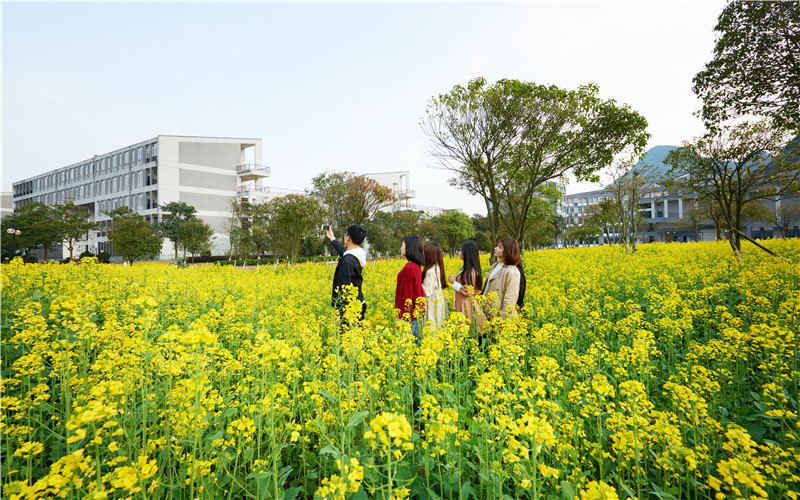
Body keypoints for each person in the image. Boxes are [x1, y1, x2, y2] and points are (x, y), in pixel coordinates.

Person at [326, 225, 367, 325]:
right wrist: (332, 238)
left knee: (348, 338)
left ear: (348, 238)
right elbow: (344, 252)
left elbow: (343, 287)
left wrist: (338, 312)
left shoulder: (347, 262)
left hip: (348, 309)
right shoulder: (357, 254)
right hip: (358, 303)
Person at [395, 235, 426, 342]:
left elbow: (405, 294)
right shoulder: (416, 266)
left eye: (402, 245)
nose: (400, 248)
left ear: (409, 247)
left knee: (408, 349)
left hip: (407, 317)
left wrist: (399, 316)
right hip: (414, 315)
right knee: (414, 346)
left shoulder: (408, 268)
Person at [447, 241, 483, 331]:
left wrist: (454, 282)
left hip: (466, 306)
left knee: (464, 330)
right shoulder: (467, 268)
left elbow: (468, 290)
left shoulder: (471, 271)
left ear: (467, 253)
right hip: (463, 303)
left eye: (460, 251)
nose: (459, 253)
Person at [482, 238, 521, 320]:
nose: (495, 248)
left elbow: (510, 298)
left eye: (499, 247)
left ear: (507, 252)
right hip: (489, 314)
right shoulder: (496, 265)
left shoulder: (511, 271)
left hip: (499, 317)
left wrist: (502, 320)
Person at [422, 242, 448, 329]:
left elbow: (426, 293)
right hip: (438, 305)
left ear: (429, 256)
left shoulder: (430, 272)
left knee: (431, 329)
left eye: (424, 253)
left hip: (432, 306)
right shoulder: (438, 268)